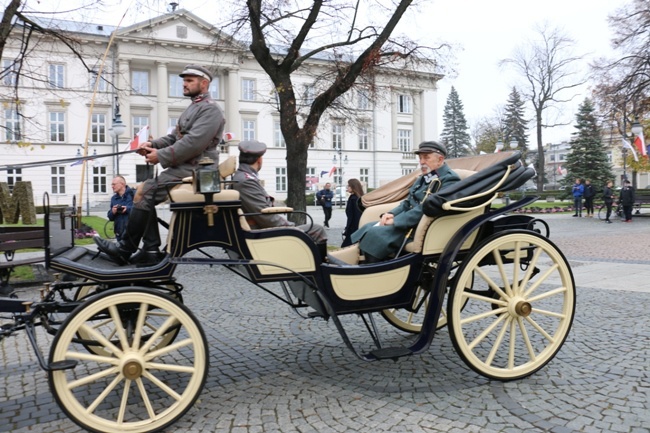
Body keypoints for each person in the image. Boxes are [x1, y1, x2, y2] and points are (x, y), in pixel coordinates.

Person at [94, 64, 226, 265]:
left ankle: (127, 249)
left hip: (198, 168)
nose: (184, 84)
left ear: (204, 84)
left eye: (190, 80)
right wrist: (152, 145)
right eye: (184, 80)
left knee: (144, 192)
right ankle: (150, 249)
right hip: (186, 165)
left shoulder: (211, 110)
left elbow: (193, 143)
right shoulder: (194, 107)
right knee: (143, 192)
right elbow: (175, 137)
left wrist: (161, 156)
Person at [351, 140, 460, 262]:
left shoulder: (450, 180)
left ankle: (374, 272)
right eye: (420, 158)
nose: (422, 162)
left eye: (426, 158)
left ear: (440, 159)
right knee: (368, 228)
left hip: (420, 226)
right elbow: (408, 202)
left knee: (377, 235)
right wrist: (391, 214)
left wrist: (396, 221)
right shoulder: (425, 177)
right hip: (408, 222)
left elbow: (427, 208)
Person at [232, 140, 328, 260]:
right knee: (318, 230)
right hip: (262, 233)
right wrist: (290, 226)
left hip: (261, 229)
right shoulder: (246, 181)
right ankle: (322, 271)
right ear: (259, 160)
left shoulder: (242, 178)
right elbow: (265, 217)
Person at [107, 175, 134, 241]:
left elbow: (140, 211)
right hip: (119, 232)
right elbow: (110, 217)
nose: (112, 187)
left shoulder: (133, 194)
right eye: (112, 185)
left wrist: (127, 209)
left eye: (114, 184)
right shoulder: (114, 198)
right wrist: (113, 212)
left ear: (122, 184)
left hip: (132, 232)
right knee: (121, 251)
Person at [341, 178, 364, 248]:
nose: (347, 187)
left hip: (354, 227)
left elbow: (356, 215)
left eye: (349, 186)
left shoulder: (354, 199)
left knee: (346, 248)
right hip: (353, 227)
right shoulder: (355, 198)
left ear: (353, 187)